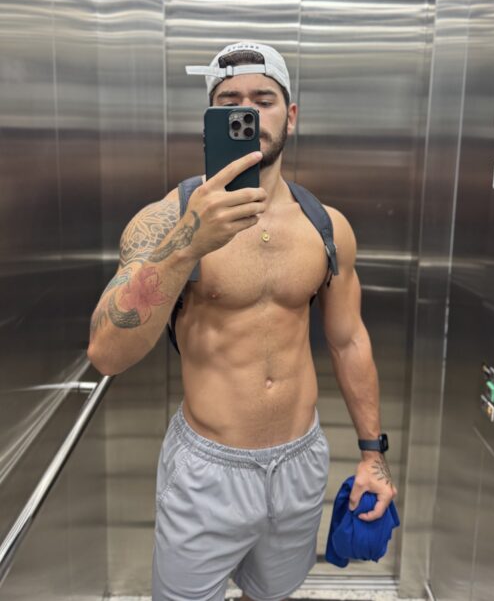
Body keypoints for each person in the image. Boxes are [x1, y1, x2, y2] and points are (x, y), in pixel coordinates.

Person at [87, 41, 398, 601]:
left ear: (290, 115)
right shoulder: (165, 220)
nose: (248, 113)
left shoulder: (326, 226)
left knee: (272, 594)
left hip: (300, 462)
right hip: (208, 470)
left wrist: (372, 454)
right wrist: (188, 245)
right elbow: (106, 353)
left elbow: (349, 341)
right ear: (210, 118)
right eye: (230, 102)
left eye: (264, 100)